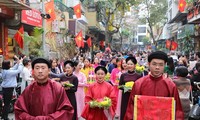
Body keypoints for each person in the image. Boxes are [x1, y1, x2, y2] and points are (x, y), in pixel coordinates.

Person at [124, 51, 184, 120]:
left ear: (165, 65)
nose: (157, 67)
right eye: (154, 64)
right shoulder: (139, 84)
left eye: (161, 65)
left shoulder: (170, 86)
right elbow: (131, 109)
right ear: (149, 64)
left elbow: (177, 110)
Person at [1, 56, 24, 120]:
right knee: (7, 104)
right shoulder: (9, 72)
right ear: (8, 65)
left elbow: (15, 68)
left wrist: (18, 60)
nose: (11, 64)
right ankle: (5, 118)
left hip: (5, 89)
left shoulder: (5, 71)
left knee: (6, 103)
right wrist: (21, 62)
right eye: (10, 63)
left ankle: (3, 116)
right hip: (8, 89)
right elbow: (18, 70)